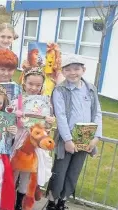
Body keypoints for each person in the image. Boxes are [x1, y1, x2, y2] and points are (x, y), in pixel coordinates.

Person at [45, 55, 102, 210]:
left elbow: (97, 112)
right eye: (68, 69)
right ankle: (52, 201)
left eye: (76, 69)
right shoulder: (60, 90)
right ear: (63, 71)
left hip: (85, 137)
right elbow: (61, 116)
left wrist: (96, 136)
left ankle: (63, 201)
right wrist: (68, 140)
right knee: (60, 171)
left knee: (74, 172)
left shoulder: (90, 89)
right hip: (66, 139)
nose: (72, 72)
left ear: (83, 70)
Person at [11, 66, 56, 210]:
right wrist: (15, 115)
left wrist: (49, 122)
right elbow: (10, 121)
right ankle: (8, 199)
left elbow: (46, 128)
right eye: (31, 84)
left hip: (34, 144)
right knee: (13, 172)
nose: (34, 88)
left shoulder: (45, 103)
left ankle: (19, 203)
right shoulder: (17, 101)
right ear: (24, 82)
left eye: (38, 85)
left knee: (27, 174)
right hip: (18, 142)